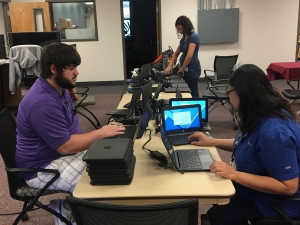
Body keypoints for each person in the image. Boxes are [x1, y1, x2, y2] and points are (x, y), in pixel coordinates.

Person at [15, 43, 125, 224]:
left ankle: (68, 207)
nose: (77, 72)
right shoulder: (42, 103)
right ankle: (69, 211)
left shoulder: (60, 89)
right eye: (71, 68)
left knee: (110, 162)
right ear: (53, 69)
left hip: (58, 155)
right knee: (101, 179)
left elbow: (72, 130)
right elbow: (65, 147)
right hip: (41, 169)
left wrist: (97, 143)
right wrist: (100, 134)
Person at [188, 64, 300, 225]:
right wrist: (212, 142)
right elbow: (247, 144)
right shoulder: (259, 113)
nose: (229, 96)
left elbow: (288, 186)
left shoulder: (275, 133)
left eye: (229, 91)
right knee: (217, 191)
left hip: (278, 200)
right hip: (257, 189)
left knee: (217, 216)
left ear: (242, 93)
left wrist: (234, 174)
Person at [164, 15, 201, 98]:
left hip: (192, 70)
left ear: (186, 26)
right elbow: (176, 53)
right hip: (185, 70)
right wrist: (170, 65)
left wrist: (181, 69)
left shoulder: (193, 37)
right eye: (178, 29)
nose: (179, 31)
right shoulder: (184, 38)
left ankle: (198, 109)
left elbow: (189, 56)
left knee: (193, 93)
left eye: (181, 28)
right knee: (186, 93)